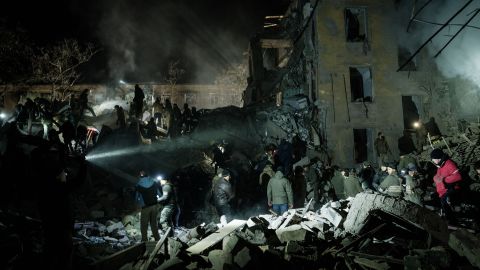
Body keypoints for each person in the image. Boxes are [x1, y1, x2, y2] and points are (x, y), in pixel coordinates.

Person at [430, 148, 462, 222]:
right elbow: (438, 176)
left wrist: (445, 180)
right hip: (442, 191)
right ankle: (449, 220)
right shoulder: (440, 166)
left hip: (449, 190)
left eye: (433, 159)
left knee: (448, 206)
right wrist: (435, 178)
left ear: (438, 158)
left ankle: (453, 222)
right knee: (443, 205)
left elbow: (458, 176)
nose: (433, 161)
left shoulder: (449, 164)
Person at [135, 170, 161, 241]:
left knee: (144, 225)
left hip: (145, 207)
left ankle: (144, 240)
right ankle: (157, 238)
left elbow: (136, 197)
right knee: (154, 223)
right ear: (147, 175)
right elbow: (159, 194)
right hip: (155, 206)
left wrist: (137, 204)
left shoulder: (138, 185)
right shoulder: (154, 182)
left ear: (139, 176)